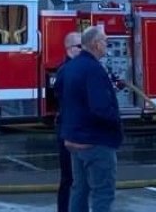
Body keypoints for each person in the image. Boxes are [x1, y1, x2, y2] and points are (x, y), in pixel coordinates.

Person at [60, 25, 122, 212]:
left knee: (80, 190)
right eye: (105, 41)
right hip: (96, 142)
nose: (107, 45)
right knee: (103, 193)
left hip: (74, 140)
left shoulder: (70, 67)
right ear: (95, 44)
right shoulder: (94, 70)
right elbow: (101, 108)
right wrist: (116, 122)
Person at [54, 31, 82, 212]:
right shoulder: (67, 71)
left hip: (77, 130)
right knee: (69, 178)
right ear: (70, 49)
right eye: (81, 47)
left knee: (81, 179)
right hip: (70, 131)